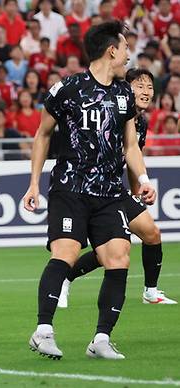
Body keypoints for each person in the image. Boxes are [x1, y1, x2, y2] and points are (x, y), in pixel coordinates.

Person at [22, 21, 157, 360]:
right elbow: (42, 135)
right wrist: (35, 182)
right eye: (125, 49)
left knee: (119, 258)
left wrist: (142, 179)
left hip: (110, 193)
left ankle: (100, 339)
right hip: (70, 189)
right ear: (111, 50)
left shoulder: (124, 95)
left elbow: (130, 145)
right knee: (65, 253)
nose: (128, 56)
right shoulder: (65, 90)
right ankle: (43, 331)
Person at [59, 68, 177, 307]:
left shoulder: (140, 123)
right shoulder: (112, 112)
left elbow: (133, 158)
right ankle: (64, 278)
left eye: (149, 87)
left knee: (150, 234)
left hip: (115, 190)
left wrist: (138, 192)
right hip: (90, 188)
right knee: (112, 251)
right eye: (139, 86)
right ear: (125, 89)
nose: (146, 91)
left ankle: (150, 292)